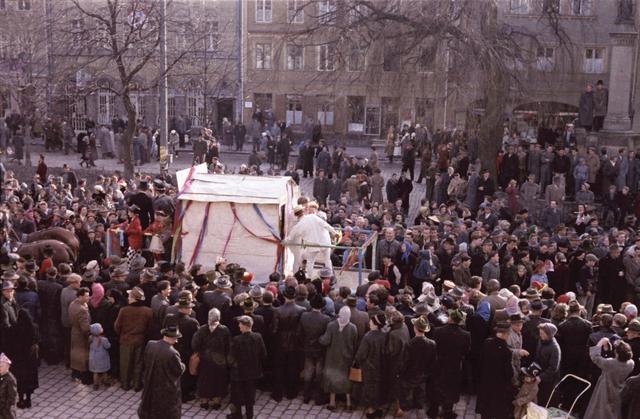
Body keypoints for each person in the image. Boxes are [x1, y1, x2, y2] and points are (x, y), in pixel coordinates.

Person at [138, 325, 185, 419]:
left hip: (150, 383)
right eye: (176, 338)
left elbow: (146, 360)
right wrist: (183, 365)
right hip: (166, 388)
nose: (176, 341)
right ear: (172, 338)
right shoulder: (172, 353)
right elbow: (178, 370)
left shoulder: (150, 344)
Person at [319, 305, 357, 412]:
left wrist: (319, 338)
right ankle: (349, 403)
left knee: (332, 377)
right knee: (347, 379)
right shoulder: (353, 328)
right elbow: (354, 343)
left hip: (332, 357)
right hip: (347, 357)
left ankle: (332, 403)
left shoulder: (331, 325)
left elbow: (325, 340)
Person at [584, 337, 634, 419]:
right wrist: (607, 350)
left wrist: (601, 342)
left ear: (617, 353)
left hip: (605, 389)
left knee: (599, 412)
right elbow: (617, 361)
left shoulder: (610, 363)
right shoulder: (631, 363)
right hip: (619, 390)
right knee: (613, 412)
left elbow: (595, 356)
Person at [228, 315, 267, 419]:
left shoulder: (236, 339)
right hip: (253, 371)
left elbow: (231, 358)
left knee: (237, 395)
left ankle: (237, 415)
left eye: (240, 324)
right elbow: (263, 354)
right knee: (250, 395)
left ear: (245, 326)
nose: (239, 326)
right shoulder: (258, 337)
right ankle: (250, 415)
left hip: (239, 373)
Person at [396, 315, 436, 416]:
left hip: (409, 376)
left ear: (414, 328)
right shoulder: (432, 343)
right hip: (423, 376)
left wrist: (399, 373)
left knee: (406, 401)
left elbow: (404, 362)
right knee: (420, 401)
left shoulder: (409, 344)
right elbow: (433, 362)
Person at [191, 308, 231, 410]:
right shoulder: (224, 330)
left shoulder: (202, 329)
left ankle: (204, 401)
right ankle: (216, 401)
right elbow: (228, 346)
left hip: (205, 360)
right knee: (219, 380)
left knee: (204, 379)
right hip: (220, 360)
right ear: (219, 317)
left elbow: (195, 344)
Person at [114, 287, 152, 391]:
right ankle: (137, 384)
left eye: (130, 296)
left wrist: (121, 334)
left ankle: (125, 384)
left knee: (125, 363)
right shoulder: (148, 311)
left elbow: (117, 326)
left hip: (126, 340)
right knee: (138, 363)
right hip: (140, 339)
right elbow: (150, 327)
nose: (128, 298)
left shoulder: (124, 310)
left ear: (134, 298)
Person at [477, 321, 515, 419]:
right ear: (506, 334)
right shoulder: (506, 351)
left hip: (485, 381)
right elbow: (508, 373)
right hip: (499, 385)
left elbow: (481, 361)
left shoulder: (487, 342)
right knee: (497, 409)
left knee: (486, 408)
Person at [355, 313, 388, 419]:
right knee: (380, 387)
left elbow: (361, 354)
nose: (369, 322)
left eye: (371, 321)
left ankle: (371, 410)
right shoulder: (385, 334)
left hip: (369, 367)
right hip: (382, 366)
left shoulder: (368, 336)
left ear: (375, 324)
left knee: (369, 388)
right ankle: (379, 408)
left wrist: (357, 362)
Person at [68, 287, 91, 384]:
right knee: (82, 355)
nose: (88, 298)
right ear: (80, 296)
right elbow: (85, 327)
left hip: (74, 331)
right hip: (81, 335)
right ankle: (80, 375)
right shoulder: (82, 310)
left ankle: (74, 373)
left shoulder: (73, 304)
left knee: (74, 353)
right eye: (86, 296)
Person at [88, 323, 111, 390]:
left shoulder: (90, 338)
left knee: (95, 372)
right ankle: (105, 382)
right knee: (104, 370)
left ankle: (95, 384)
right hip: (102, 358)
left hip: (93, 357)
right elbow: (108, 346)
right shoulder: (104, 339)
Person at [0, 352, 17, 419]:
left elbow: (12, 397)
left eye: (1, 366)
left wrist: (6, 407)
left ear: (7, 366)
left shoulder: (10, 380)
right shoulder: (1, 376)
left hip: (6, 410)